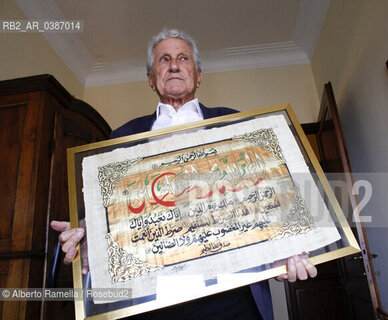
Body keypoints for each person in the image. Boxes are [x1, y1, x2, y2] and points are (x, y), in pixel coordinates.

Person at [51, 29, 317, 320]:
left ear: (198, 74)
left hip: (233, 296)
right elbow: (114, 215)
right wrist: (91, 235)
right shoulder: (122, 137)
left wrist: (291, 246)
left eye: (183, 58)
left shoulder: (238, 125)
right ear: (151, 79)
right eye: (164, 60)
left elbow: (270, 198)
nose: (174, 65)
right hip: (153, 299)